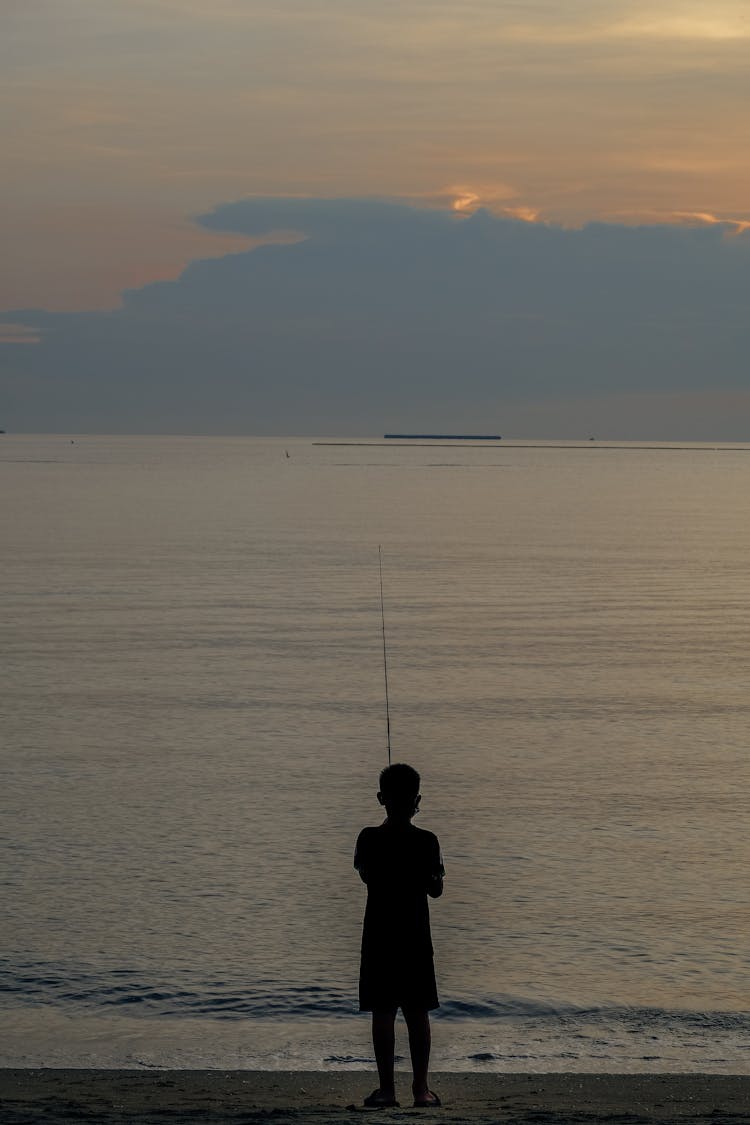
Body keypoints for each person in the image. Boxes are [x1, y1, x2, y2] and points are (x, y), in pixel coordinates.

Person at [354, 762, 444, 1108]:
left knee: (383, 1013)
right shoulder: (427, 841)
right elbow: (435, 890)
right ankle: (421, 1090)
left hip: (378, 937)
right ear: (417, 801)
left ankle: (387, 1090)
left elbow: (366, 877)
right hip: (416, 938)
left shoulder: (368, 838)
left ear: (381, 798)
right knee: (418, 1014)